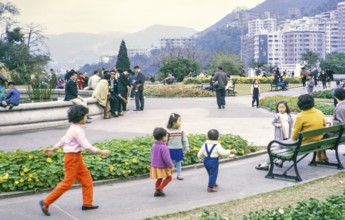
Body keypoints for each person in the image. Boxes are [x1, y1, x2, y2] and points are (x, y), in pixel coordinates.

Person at [39, 105, 110, 216]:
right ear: (80, 117)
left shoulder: (73, 127)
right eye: (86, 116)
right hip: (72, 158)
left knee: (87, 179)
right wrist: (101, 151)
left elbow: (64, 140)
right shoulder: (77, 130)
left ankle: (87, 203)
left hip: (76, 157)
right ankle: (46, 202)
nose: (86, 118)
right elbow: (86, 145)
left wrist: (54, 148)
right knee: (67, 183)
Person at [255, 101, 293, 170]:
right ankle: (280, 160)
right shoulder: (277, 115)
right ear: (277, 108)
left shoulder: (288, 115)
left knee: (282, 147)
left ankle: (274, 162)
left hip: (288, 133)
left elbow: (291, 123)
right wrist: (278, 125)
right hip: (281, 133)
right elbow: (273, 122)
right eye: (279, 107)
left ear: (286, 108)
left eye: (283, 107)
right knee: (282, 145)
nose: (281, 109)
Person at [150, 127, 174, 197]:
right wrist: (171, 166)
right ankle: (159, 189)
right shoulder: (164, 147)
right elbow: (167, 158)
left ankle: (156, 190)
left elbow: (152, 154)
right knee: (169, 177)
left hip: (155, 165)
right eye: (166, 136)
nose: (167, 137)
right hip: (162, 166)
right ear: (163, 138)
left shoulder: (154, 145)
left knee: (159, 179)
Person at [166, 113, 190, 180]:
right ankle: (169, 174)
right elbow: (165, 141)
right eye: (179, 120)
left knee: (178, 162)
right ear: (173, 122)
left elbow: (185, 140)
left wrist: (187, 148)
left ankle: (179, 174)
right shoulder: (168, 131)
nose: (180, 122)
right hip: (169, 150)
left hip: (179, 149)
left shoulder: (181, 131)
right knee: (169, 162)